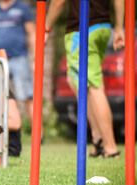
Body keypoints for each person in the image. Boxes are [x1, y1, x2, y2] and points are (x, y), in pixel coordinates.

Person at [45, 0, 125, 158]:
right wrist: (118, 27)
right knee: (72, 79)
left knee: (95, 87)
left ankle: (110, 147)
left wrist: (46, 28)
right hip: (103, 27)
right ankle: (97, 136)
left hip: (82, 29)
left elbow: (58, 2)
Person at [0, 0, 38, 156]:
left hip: (19, 58)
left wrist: (34, 59)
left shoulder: (22, 8)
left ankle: (37, 136)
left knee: (26, 97)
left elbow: (32, 33)